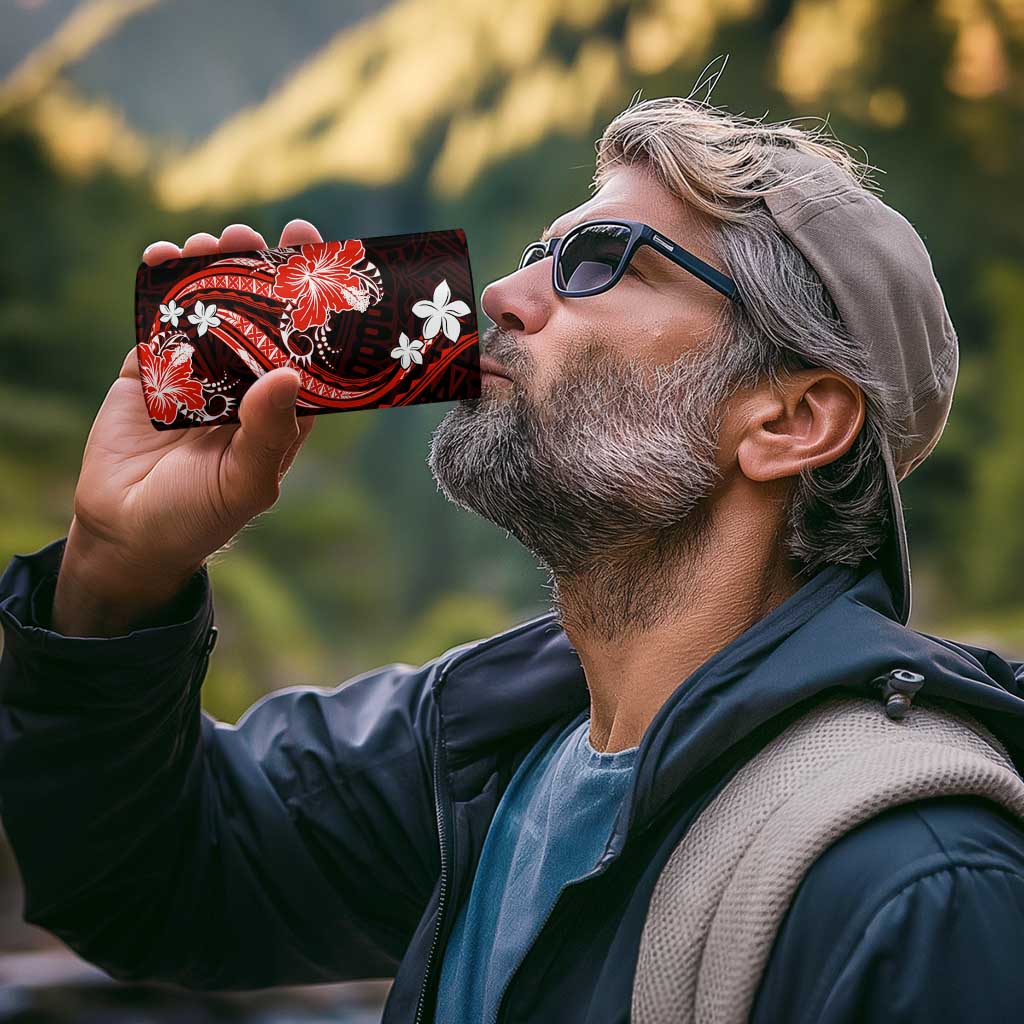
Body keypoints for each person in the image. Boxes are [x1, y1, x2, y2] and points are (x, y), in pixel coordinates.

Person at [2, 94, 1024, 1024]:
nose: (500, 292)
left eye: (601, 261)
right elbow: (149, 880)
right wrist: (116, 573)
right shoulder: (482, 746)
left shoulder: (918, 887)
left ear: (790, 421)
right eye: (541, 251)